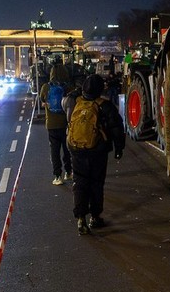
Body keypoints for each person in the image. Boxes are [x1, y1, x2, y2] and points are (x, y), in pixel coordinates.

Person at [65, 74, 125, 235]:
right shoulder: (105, 106)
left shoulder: (74, 101)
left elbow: (67, 113)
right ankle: (95, 217)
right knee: (96, 183)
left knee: (80, 183)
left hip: (76, 148)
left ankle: (80, 219)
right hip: (97, 151)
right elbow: (117, 129)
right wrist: (119, 148)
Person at [39, 62, 72, 185]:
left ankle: (58, 176)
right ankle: (69, 172)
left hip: (52, 124)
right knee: (67, 149)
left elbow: (42, 99)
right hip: (66, 123)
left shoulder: (46, 87)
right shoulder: (68, 87)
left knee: (55, 151)